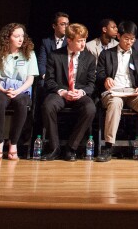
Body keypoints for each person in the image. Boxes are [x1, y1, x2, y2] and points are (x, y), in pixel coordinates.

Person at [96, 21, 138, 162]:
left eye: (132, 39)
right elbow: (99, 74)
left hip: (132, 91)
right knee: (115, 103)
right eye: (126, 38)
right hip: (113, 91)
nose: (129, 42)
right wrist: (106, 79)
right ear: (118, 36)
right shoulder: (106, 54)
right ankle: (108, 146)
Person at [41, 23, 97, 161]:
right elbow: (49, 81)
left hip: (79, 93)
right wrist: (63, 92)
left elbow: (91, 84)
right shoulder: (55, 55)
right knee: (48, 106)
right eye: (79, 41)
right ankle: (54, 148)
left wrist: (81, 92)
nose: (83, 44)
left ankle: (71, 148)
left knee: (90, 108)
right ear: (69, 40)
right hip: (60, 92)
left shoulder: (89, 58)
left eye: (84, 40)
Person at [0, 23, 38, 160]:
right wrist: (4, 90)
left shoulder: (30, 54)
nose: (21, 39)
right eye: (16, 36)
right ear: (8, 38)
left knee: (21, 103)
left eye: (22, 36)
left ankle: (13, 143)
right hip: (3, 90)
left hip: (21, 90)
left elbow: (30, 79)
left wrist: (17, 91)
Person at [36, 12, 69, 79]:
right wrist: (45, 76)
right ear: (54, 26)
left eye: (67, 24)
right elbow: (42, 62)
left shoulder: (70, 41)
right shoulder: (46, 42)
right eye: (63, 24)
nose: (66, 27)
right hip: (48, 76)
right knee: (42, 84)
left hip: (65, 78)